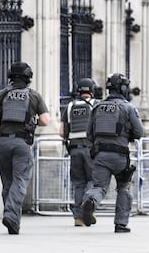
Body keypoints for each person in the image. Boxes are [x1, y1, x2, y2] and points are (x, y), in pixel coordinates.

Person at [0, 61, 49, 235]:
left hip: (4, 142)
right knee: (20, 181)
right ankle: (11, 215)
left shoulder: (2, 95)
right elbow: (45, 121)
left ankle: (13, 221)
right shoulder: (33, 96)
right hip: (22, 143)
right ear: (28, 77)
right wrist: (32, 122)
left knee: (7, 182)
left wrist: (2, 135)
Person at [82, 73, 144, 233]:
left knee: (99, 187)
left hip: (100, 155)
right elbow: (139, 131)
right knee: (123, 187)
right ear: (123, 88)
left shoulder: (97, 107)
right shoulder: (128, 107)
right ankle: (120, 223)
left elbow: (89, 134)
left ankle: (91, 201)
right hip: (120, 156)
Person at [59, 78, 99, 226]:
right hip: (91, 150)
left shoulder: (69, 107)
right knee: (93, 181)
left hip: (74, 150)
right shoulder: (96, 105)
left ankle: (78, 218)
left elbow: (61, 132)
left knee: (78, 184)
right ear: (92, 90)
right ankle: (87, 205)